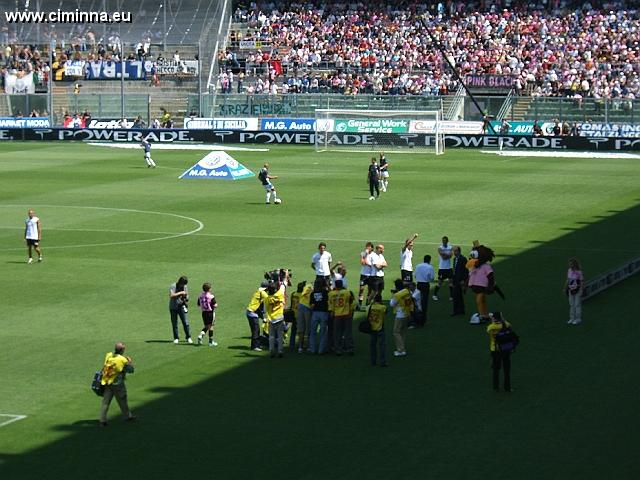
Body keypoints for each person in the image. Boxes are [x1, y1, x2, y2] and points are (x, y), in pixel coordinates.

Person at [99, 342, 136, 426]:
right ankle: (127, 416)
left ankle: (102, 420)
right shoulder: (122, 359)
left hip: (107, 382)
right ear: (122, 350)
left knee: (105, 402)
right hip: (117, 383)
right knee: (122, 399)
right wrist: (130, 362)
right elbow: (131, 370)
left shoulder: (108, 356)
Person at [467, 246, 496, 323]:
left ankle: (482, 316)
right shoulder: (474, 265)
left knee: (479, 301)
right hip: (477, 286)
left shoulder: (486, 266)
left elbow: (490, 276)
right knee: (482, 301)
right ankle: (485, 314)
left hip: (482, 287)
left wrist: (491, 285)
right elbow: (470, 272)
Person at [486, 312, 513, 392]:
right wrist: (503, 320)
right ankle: (507, 387)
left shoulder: (491, 327)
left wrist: (493, 321)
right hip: (505, 349)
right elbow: (510, 326)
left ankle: (496, 386)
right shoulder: (506, 325)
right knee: (507, 370)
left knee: (496, 370)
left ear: (494, 319)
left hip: (495, 350)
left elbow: (488, 330)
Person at [328, 279, 355, 355]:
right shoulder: (346, 292)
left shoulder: (331, 294)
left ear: (335, 285)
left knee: (337, 333)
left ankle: (338, 349)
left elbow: (331, 305)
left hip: (337, 315)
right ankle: (350, 348)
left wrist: (332, 312)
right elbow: (351, 300)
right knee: (348, 332)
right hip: (347, 314)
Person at [389, 279, 414, 357]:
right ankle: (402, 348)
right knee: (402, 332)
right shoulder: (407, 291)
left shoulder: (397, 295)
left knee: (396, 332)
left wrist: (393, 295)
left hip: (400, 315)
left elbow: (392, 304)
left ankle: (401, 350)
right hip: (407, 313)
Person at [264, 281, 286, 358]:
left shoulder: (267, 299)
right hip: (279, 318)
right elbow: (283, 287)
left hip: (271, 319)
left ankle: (271, 351)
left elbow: (266, 309)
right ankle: (280, 350)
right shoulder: (279, 294)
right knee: (280, 336)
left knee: (271, 337)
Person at [169, 276, 192, 344]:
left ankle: (188, 337)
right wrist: (181, 293)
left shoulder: (185, 287)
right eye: (183, 284)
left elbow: (187, 296)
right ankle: (176, 338)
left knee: (185, 322)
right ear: (180, 282)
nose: (184, 285)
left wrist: (185, 298)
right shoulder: (173, 286)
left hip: (181, 307)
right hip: (173, 307)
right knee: (174, 323)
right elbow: (171, 295)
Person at [308, 279, 329, 354]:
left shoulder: (313, 293)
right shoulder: (326, 293)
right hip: (324, 313)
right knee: (323, 332)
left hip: (315, 313)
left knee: (313, 332)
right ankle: (321, 350)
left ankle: (312, 349)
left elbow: (312, 305)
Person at [246, 281, 268, 351]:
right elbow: (269, 299)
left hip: (251, 312)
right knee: (255, 330)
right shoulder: (263, 293)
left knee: (256, 330)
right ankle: (254, 346)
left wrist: (263, 317)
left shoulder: (258, 291)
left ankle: (257, 345)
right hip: (252, 313)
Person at [414, 255, 435, 326]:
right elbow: (432, 278)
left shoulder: (418, 266)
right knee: (424, 301)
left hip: (419, 284)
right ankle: (423, 318)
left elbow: (415, 275)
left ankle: (418, 316)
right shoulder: (430, 267)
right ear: (429, 260)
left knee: (418, 300)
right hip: (425, 285)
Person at [367, 293, 387, 367]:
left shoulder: (370, 307)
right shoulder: (383, 307)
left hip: (372, 328)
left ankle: (373, 361)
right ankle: (382, 361)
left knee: (372, 346)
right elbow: (386, 312)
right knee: (382, 346)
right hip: (380, 328)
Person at [196, 282, 218, 346]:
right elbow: (215, 305)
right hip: (210, 313)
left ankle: (201, 335)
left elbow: (198, 304)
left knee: (206, 326)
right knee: (211, 326)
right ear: (209, 289)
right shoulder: (211, 296)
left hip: (204, 313)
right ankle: (211, 342)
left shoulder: (200, 296)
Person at [433, 236, 453, 301]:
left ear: (447, 241)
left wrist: (445, 254)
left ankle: (451, 296)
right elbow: (444, 257)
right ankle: (434, 295)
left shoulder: (450, 247)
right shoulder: (440, 248)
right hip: (442, 268)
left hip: (449, 268)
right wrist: (448, 255)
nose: (443, 242)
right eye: (443, 240)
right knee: (439, 283)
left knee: (451, 282)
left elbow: (450, 256)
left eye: (445, 240)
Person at [564, 258, 584, 325]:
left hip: (577, 290)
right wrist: (565, 287)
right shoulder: (569, 270)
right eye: (569, 264)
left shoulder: (579, 271)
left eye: (571, 264)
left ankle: (578, 319)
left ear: (574, 264)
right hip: (570, 289)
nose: (569, 265)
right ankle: (572, 318)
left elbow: (581, 281)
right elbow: (568, 279)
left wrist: (581, 290)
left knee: (577, 305)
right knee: (571, 305)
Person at [451, 246, 469, 316]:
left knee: (456, 295)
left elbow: (466, 270)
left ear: (459, 251)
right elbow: (454, 270)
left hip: (460, 280)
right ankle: (461, 310)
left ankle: (456, 311)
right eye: (454, 251)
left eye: (455, 251)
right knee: (459, 295)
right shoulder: (455, 259)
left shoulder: (463, 259)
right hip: (456, 280)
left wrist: (463, 280)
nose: (454, 252)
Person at [296, 280, 313, 353]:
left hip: (302, 306)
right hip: (306, 308)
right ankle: (305, 346)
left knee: (302, 328)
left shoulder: (308, 286)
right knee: (306, 328)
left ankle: (301, 347)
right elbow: (304, 294)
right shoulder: (310, 287)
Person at [357, 242, 374, 310]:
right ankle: (359, 304)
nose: (367, 248)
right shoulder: (363, 253)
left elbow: (373, 265)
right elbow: (362, 263)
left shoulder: (374, 255)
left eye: (369, 247)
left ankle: (367, 305)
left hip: (371, 275)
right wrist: (365, 255)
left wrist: (367, 263)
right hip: (363, 274)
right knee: (361, 289)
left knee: (370, 290)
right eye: (366, 246)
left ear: (372, 248)